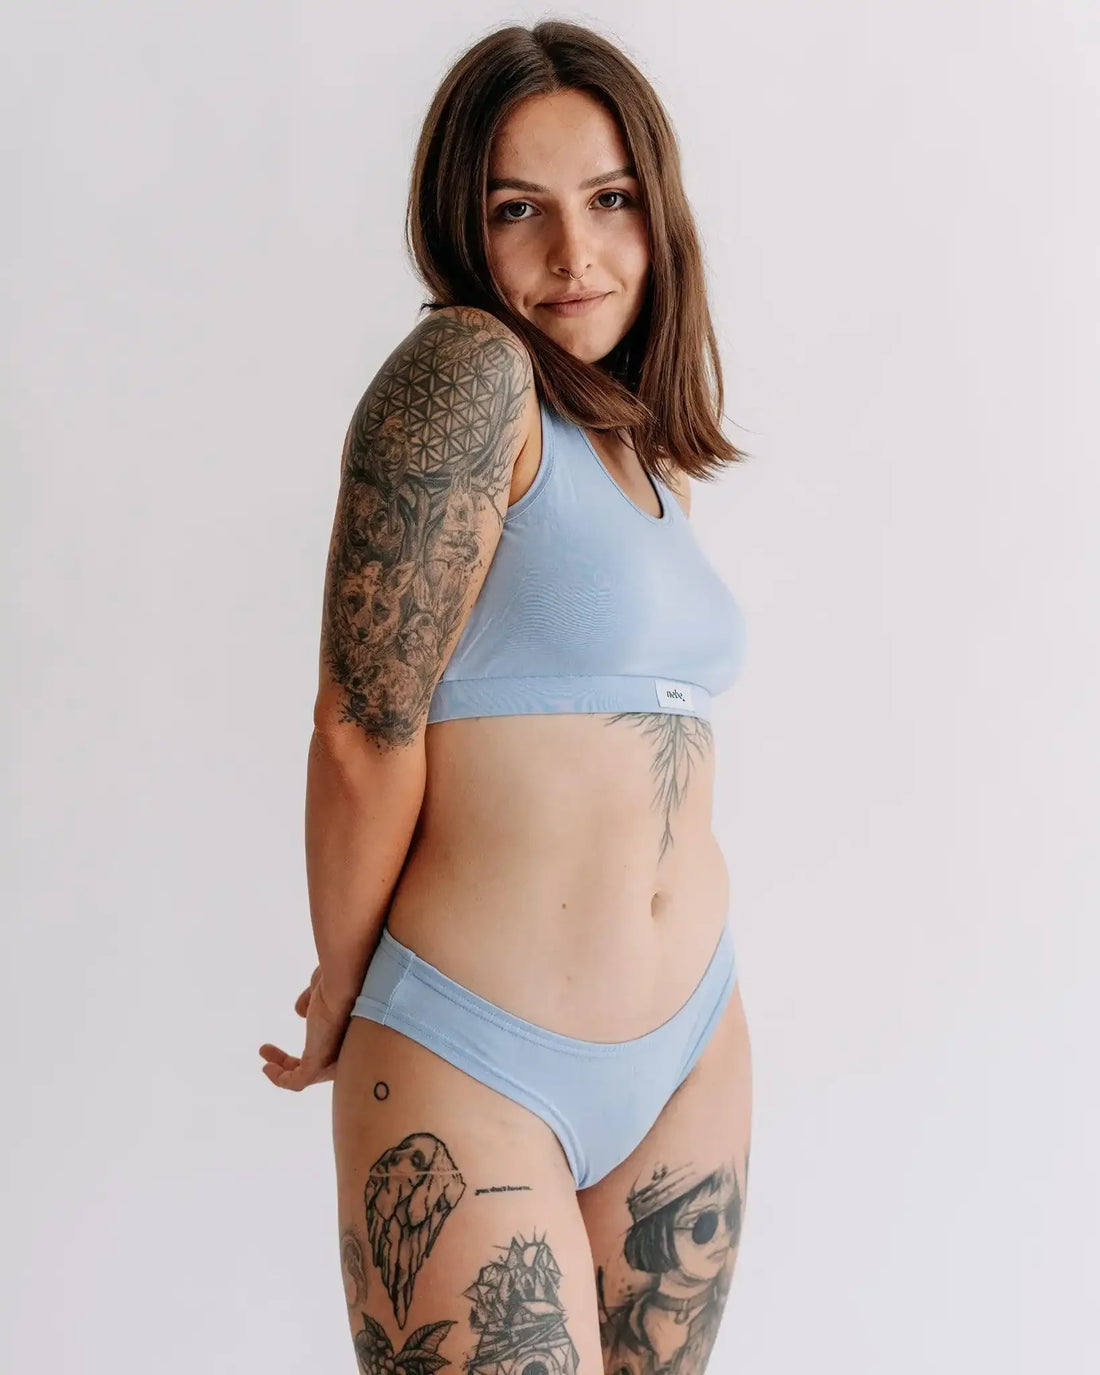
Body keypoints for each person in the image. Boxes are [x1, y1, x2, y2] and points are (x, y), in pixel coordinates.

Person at [259, 20, 754, 1375]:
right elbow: (362, 728)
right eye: (516, 210)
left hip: (689, 1043)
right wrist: (341, 987)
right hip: (476, 1052)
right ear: (460, 227)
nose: (573, 253)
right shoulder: (469, 374)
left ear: (658, 210)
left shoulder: (638, 446)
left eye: (610, 200)